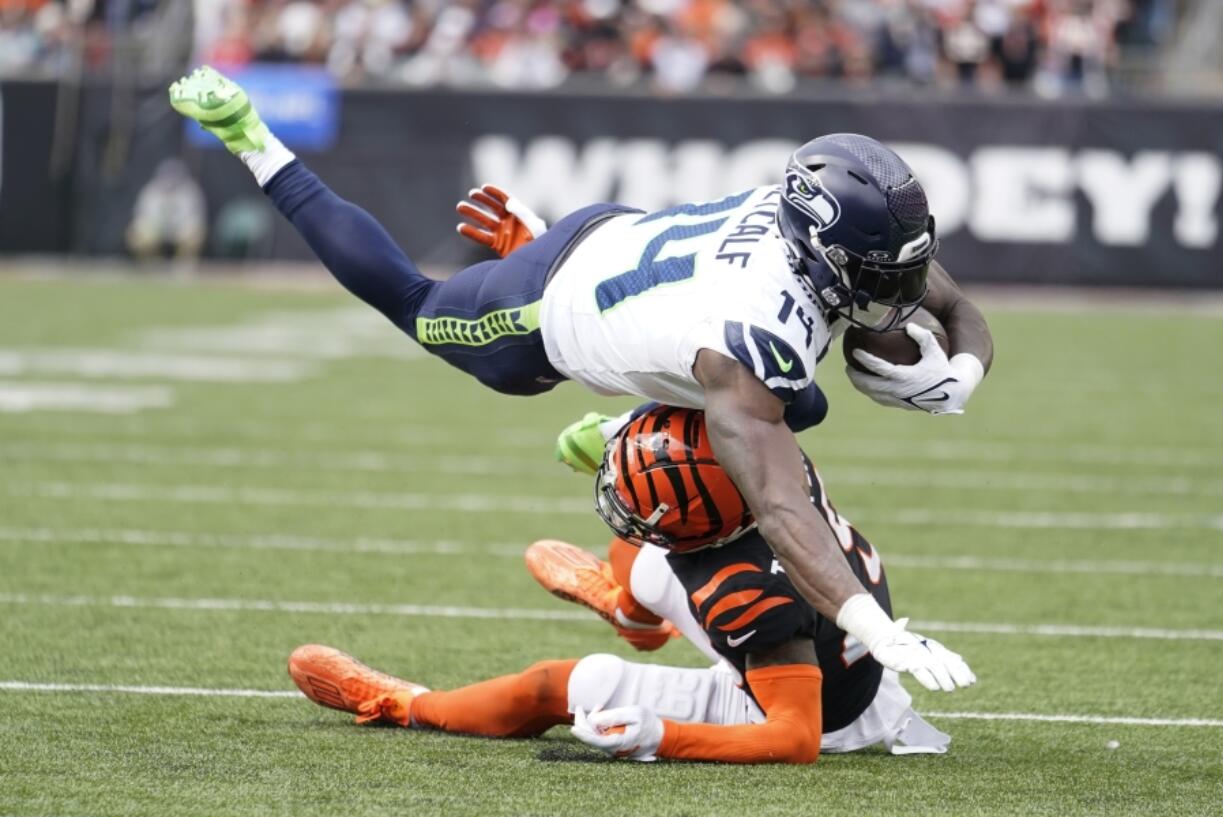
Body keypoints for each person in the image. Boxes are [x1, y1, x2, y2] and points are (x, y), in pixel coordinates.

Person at [170, 65, 992, 692]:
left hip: (628, 249)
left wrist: (959, 371)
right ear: (822, 248)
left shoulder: (810, 229)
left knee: (790, 403)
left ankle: (619, 403)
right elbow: (780, 508)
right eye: (876, 277)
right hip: (546, 305)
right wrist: (873, 627)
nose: (896, 296)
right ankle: (254, 138)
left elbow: (951, 303)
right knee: (418, 308)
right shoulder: (751, 335)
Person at [288, 407, 967, 763]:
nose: (615, 492)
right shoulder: (769, 464)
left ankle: (405, 703)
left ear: (698, 527)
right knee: (637, 556)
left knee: (551, 687)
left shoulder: (746, 591)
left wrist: (659, 734)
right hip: (805, 625)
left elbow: (793, 736)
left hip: (811, 709)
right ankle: (632, 613)